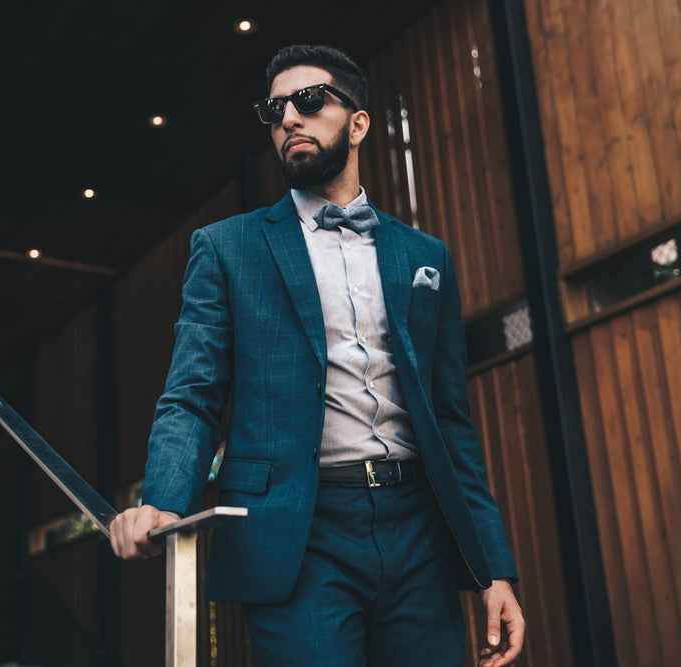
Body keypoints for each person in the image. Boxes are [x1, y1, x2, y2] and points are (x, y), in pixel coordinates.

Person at [111, 44, 525, 667]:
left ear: (357, 123)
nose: (289, 120)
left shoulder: (424, 256)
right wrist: (166, 499)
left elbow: (451, 422)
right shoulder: (227, 249)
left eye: (308, 102)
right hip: (297, 534)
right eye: (275, 110)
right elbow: (192, 394)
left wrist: (493, 567)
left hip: (419, 529)